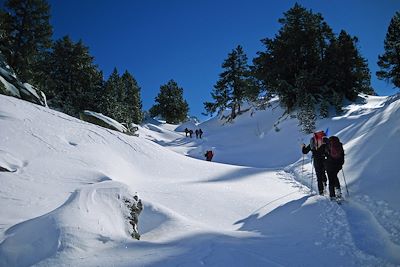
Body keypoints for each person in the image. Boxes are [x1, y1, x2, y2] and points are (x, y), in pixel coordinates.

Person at [302, 131, 328, 195]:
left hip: (316, 160)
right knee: (323, 173)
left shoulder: (312, 142)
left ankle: (321, 192)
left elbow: (305, 151)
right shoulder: (324, 141)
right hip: (324, 159)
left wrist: (303, 146)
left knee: (319, 176)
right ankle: (325, 185)